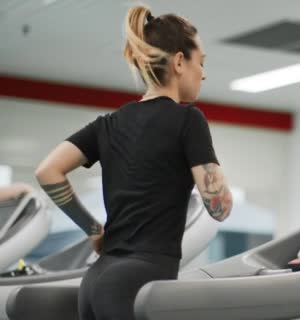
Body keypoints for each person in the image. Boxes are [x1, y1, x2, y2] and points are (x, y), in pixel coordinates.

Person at [34, 5, 233, 320]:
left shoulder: (109, 123)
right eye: (201, 62)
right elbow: (219, 207)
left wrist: (92, 229)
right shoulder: (188, 119)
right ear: (180, 62)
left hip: (96, 280)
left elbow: (47, 171)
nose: (204, 73)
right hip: (137, 283)